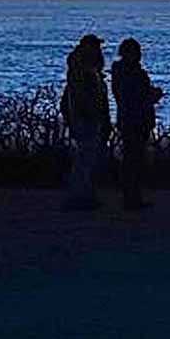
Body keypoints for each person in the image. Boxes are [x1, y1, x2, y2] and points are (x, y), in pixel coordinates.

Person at [110, 38, 164, 209]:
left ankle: (133, 195)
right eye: (136, 52)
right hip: (134, 119)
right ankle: (131, 197)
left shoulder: (123, 72)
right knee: (133, 159)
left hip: (132, 118)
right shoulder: (129, 73)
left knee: (134, 158)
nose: (139, 55)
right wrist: (152, 95)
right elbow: (134, 96)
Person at [60, 33, 111, 209]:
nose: (99, 51)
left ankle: (84, 195)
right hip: (86, 119)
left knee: (86, 158)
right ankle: (81, 196)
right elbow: (87, 99)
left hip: (86, 118)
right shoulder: (84, 74)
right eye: (96, 47)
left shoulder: (85, 72)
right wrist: (93, 114)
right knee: (85, 159)